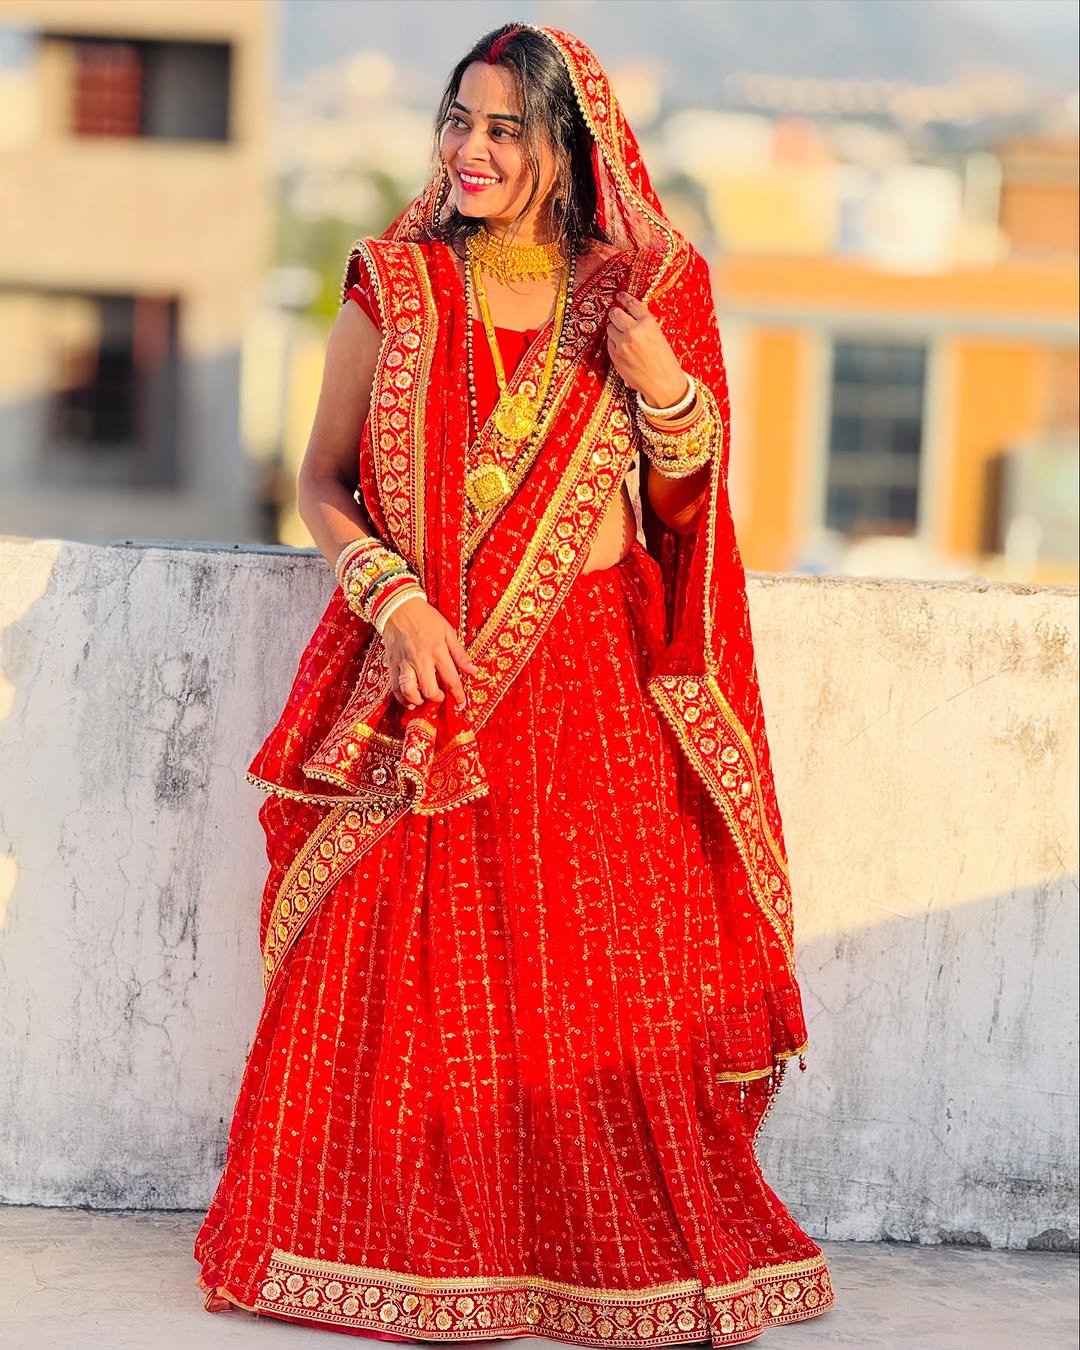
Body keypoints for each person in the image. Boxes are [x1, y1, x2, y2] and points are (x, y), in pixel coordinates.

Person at [195, 23, 834, 1346]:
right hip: (427, 678)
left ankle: (584, 1259)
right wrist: (397, 593)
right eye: (459, 122)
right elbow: (318, 482)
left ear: (566, 146)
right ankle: (401, 1252)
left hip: (592, 682)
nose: (471, 150)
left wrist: (666, 392)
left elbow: (690, 512)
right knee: (399, 991)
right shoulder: (395, 282)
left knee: (602, 1000)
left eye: (504, 129)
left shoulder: (640, 288)